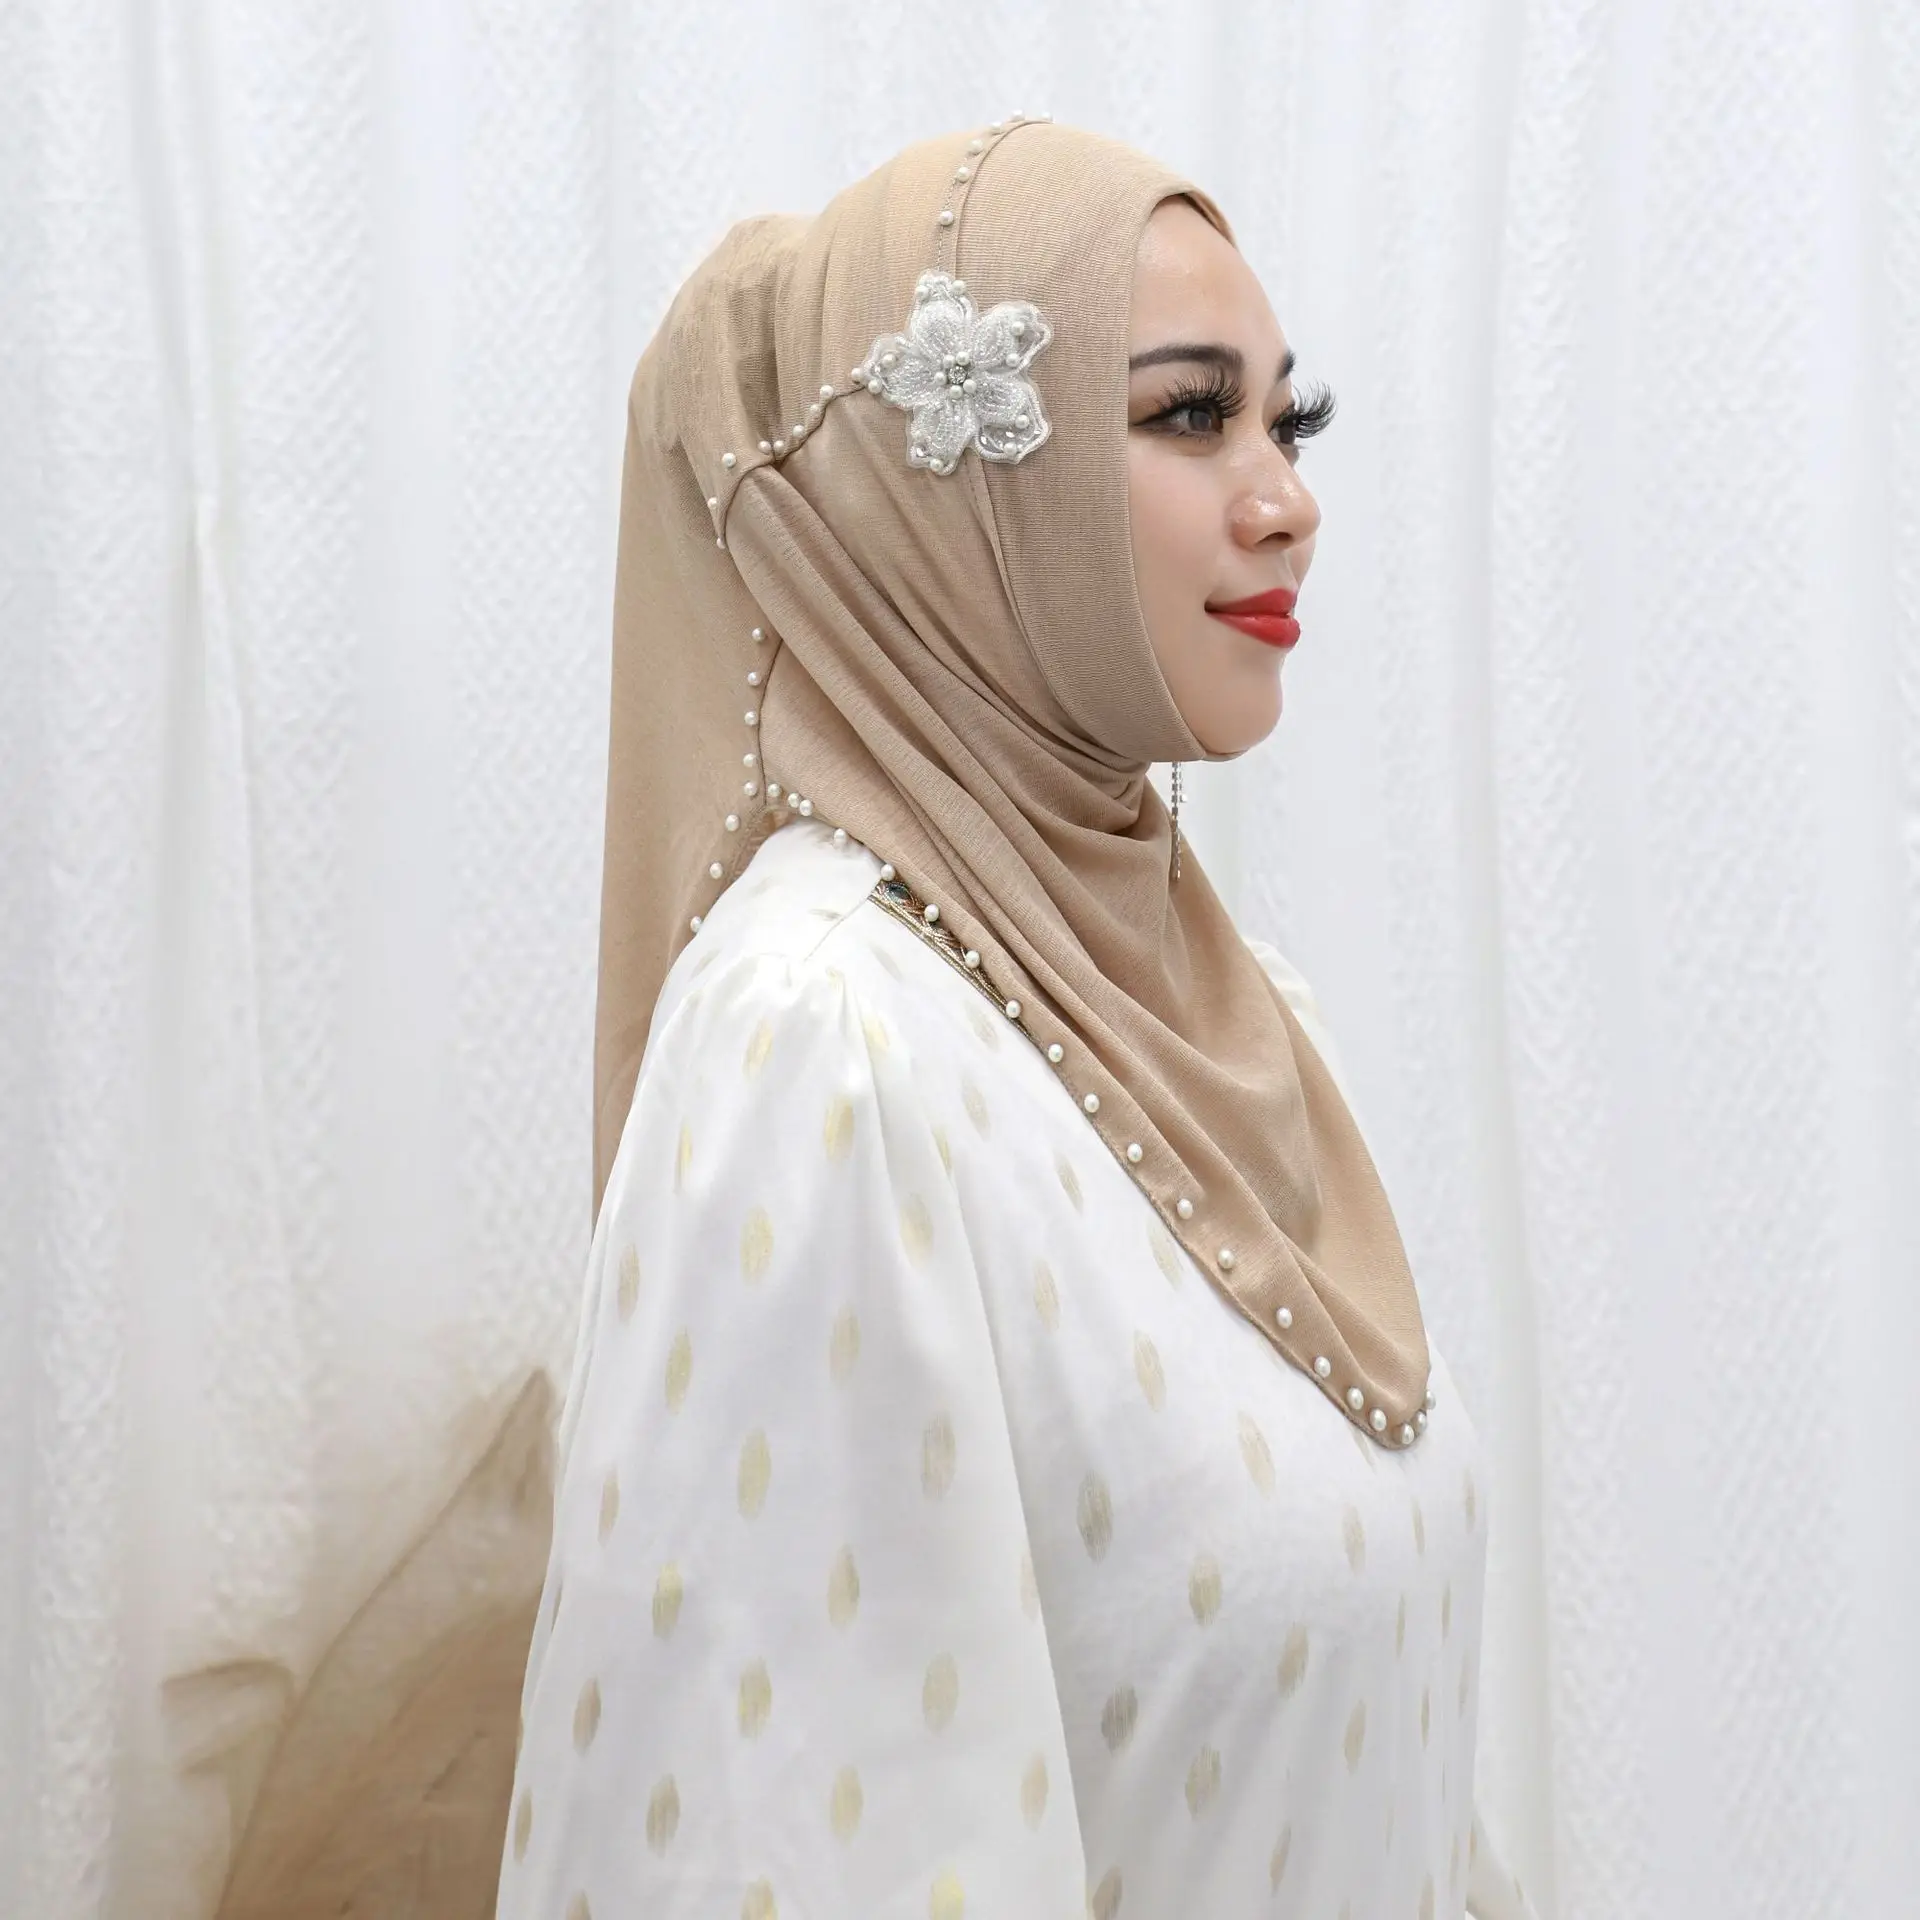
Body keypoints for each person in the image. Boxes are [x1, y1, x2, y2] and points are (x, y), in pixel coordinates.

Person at [495, 114, 1540, 1920]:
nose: (1286, 497)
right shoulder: (822, 1042)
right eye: (1188, 414)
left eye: (1289, 419)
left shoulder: (1234, 1011)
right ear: (950, 494)